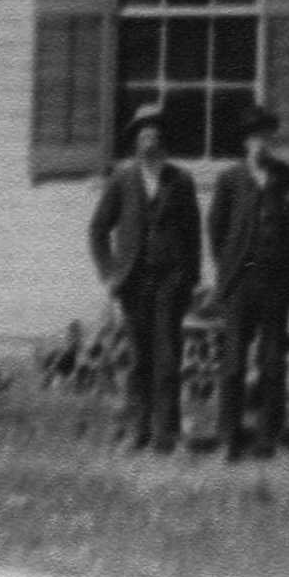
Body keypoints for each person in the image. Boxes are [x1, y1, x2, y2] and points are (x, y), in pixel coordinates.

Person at [86, 100, 202, 454]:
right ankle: (139, 431)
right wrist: (110, 274)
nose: (149, 140)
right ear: (136, 141)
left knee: (168, 358)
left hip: (170, 281)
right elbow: (98, 230)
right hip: (134, 283)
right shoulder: (122, 179)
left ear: (163, 139)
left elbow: (193, 233)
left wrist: (189, 279)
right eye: (143, 134)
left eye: (155, 133)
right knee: (139, 359)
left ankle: (166, 434)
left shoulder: (180, 180)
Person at [207, 105, 289, 460]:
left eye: (265, 137)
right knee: (233, 362)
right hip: (240, 283)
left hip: (275, 282)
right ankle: (229, 436)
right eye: (253, 138)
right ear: (245, 142)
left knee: (273, 362)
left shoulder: (285, 176)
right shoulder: (230, 179)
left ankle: (268, 438)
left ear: (271, 140)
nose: (259, 144)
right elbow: (216, 229)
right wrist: (228, 268)